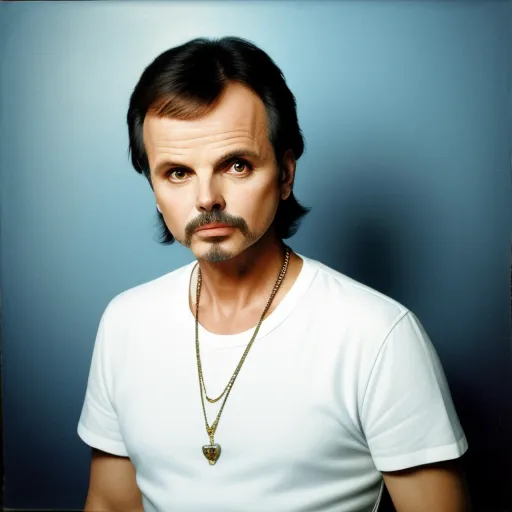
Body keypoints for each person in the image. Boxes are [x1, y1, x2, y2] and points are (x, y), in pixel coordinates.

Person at [77, 36, 471, 512]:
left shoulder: (378, 336)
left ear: (285, 174)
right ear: (154, 186)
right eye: (178, 172)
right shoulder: (125, 323)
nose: (207, 198)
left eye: (236, 165)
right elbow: (111, 503)